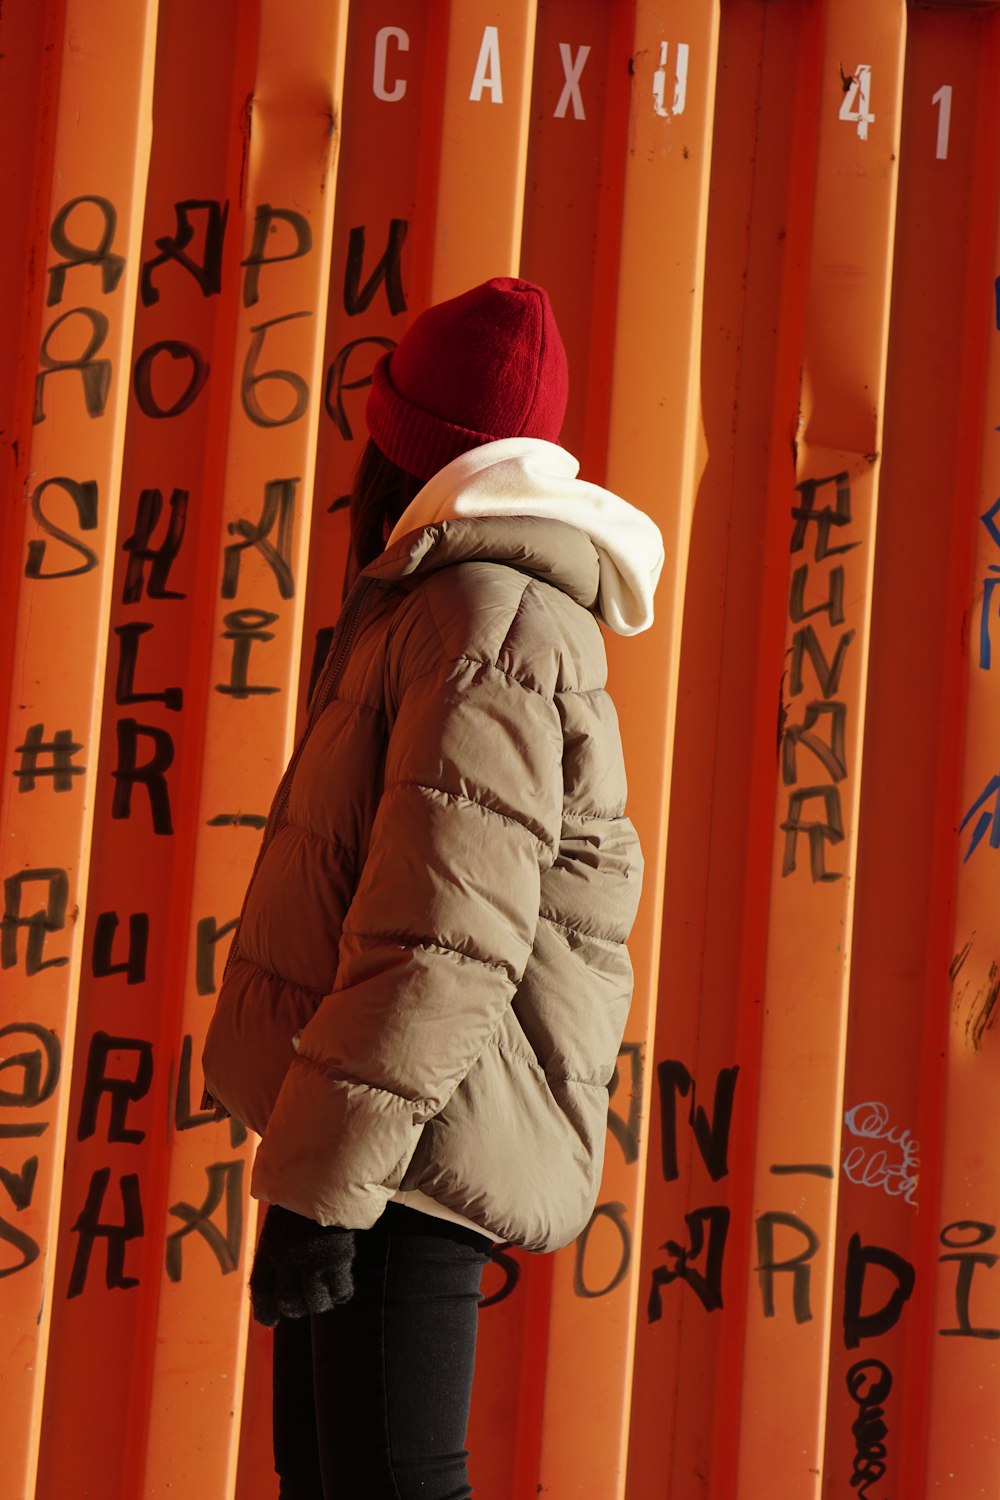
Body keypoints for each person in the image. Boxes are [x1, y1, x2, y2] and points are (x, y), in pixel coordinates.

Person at [202, 276, 663, 1499]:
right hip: (376, 1143)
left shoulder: (481, 618)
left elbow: (447, 935)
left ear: (398, 448)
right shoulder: (444, 605)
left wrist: (328, 1186)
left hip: (404, 1157)